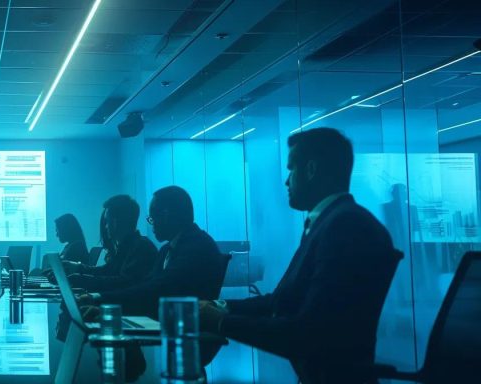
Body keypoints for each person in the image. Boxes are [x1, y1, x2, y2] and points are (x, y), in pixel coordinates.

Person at [199, 128, 401, 384]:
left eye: (291, 169)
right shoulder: (330, 222)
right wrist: (222, 307)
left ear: (311, 170)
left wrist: (221, 322)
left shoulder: (345, 227)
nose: (286, 181)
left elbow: (308, 333)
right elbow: (282, 301)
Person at [82, 186, 224, 317]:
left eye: (152, 218)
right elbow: (145, 286)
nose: (152, 224)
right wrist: (102, 303)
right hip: (166, 321)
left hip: (184, 332)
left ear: (166, 215)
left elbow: (155, 289)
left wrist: (100, 300)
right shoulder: (167, 249)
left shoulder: (196, 247)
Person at [61, 195, 158, 292]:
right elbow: (107, 271)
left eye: (107, 221)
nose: (106, 227)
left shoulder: (141, 248)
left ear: (116, 222)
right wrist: (78, 268)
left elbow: (124, 283)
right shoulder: (131, 245)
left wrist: (80, 279)